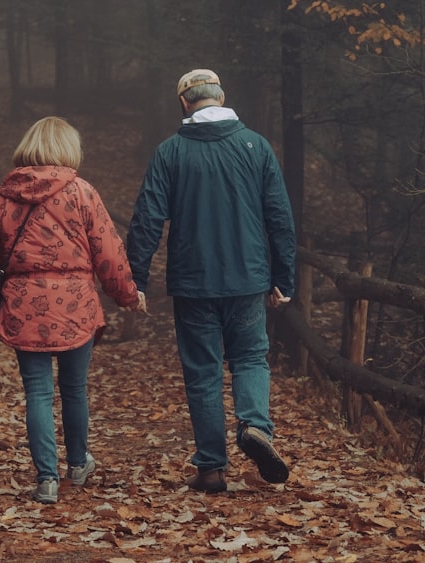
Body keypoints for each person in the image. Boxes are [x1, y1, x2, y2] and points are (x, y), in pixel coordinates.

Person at [126, 69, 297, 493]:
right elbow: (280, 217)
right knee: (251, 358)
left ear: (184, 103)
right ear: (221, 97)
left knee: (203, 371)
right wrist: (283, 277)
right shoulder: (256, 147)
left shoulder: (170, 152)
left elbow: (148, 219)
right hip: (248, 278)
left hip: (193, 282)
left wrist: (136, 280)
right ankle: (256, 426)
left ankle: (211, 468)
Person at [0, 116, 146, 504]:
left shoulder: (6, 196)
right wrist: (127, 294)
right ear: (68, 148)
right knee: (73, 390)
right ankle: (79, 462)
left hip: (23, 305)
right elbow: (108, 251)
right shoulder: (81, 192)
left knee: (37, 392)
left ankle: (46, 479)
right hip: (74, 305)